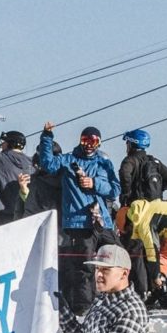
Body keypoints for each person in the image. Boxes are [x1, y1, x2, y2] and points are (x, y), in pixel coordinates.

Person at [34, 123, 120, 313]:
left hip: (101, 221)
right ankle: (84, 305)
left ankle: (117, 298)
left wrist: (95, 183)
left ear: (99, 143)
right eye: (85, 140)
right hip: (78, 222)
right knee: (85, 265)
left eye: (93, 141)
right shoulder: (68, 160)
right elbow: (47, 163)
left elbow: (115, 190)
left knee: (117, 257)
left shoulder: (103, 163)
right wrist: (47, 136)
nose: (89, 145)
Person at [115, 129, 167, 213]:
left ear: (131, 144)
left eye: (127, 143)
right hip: (155, 208)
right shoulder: (154, 161)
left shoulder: (129, 160)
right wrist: (156, 189)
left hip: (136, 209)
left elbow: (124, 175)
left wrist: (126, 195)